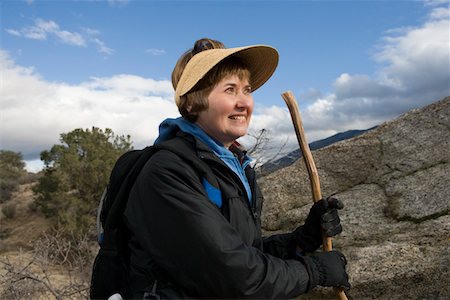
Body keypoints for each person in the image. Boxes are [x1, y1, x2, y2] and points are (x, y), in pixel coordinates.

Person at [123, 38, 350, 299]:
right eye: (230, 90)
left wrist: (302, 239)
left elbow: (243, 250)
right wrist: (313, 272)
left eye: (247, 89)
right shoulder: (169, 172)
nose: (244, 103)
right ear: (191, 102)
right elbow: (234, 275)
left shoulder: (232, 165)